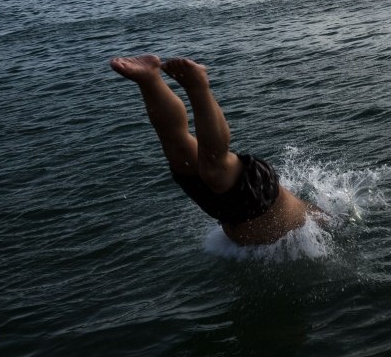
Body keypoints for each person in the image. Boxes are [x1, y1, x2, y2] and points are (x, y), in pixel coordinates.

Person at [110, 54, 321, 245]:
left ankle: (149, 79)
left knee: (178, 149)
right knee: (214, 168)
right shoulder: (324, 224)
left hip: (226, 210)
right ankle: (198, 86)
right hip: (258, 198)